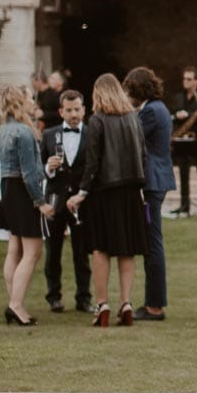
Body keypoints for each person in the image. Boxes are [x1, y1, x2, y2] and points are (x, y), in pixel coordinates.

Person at [66, 73, 148, 327]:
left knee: (101, 249)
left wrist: (82, 192)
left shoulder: (98, 121)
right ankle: (126, 302)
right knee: (127, 250)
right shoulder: (134, 119)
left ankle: (102, 303)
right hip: (131, 192)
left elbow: (93, 163)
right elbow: (143, 156)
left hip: (105, 193)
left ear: (98, 93)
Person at [0, 85, 47, 328]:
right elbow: (28, 173)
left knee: (14, 248)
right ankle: (15, 304)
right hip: (23, 192)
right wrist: (40, 201)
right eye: (29, 98)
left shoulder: (4, 129)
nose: (32, 102)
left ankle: (15, 303)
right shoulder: (24, 132)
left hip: (8, 189)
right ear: (20, 102)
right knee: (32, 251)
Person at [126, 67, 175, 321]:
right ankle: (153, 302)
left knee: (152, 243)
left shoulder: (150, 112)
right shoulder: (157, 108)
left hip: (152, 182)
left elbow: (130, 138)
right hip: (158, 179)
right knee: (151, 241)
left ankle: (155, 305)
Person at [42, 89, 94, 312]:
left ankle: (84, 297)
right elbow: (40, 168)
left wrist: (83, 193)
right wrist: (48, 169)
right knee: (52, 251)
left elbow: (94, 168)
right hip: (55, 199)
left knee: (81, 252)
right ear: (61, 112)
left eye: (77, 109)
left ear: (84, 110)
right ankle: (54, 295)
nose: (73, 114)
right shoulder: (49, 135)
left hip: (81, 201)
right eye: (69, 110)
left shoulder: (92, 134)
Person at [170, 65, 197, 216]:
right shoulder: (179, 97)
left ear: (196, 81)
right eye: (184, 78)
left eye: (189, 79)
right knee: (183, 174)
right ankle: (184, 205)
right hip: (182, 139)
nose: (185, 81)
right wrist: (177, 115)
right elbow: (173, 114)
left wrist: (189, 115)